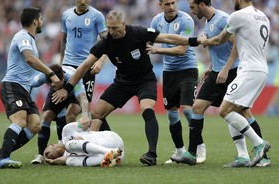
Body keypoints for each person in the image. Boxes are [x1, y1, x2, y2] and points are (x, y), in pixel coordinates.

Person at [51, 9, 199, 166]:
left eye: (115, 28)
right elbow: (84, 66)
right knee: (97, 113)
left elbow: (167, 37)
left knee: (147, 110)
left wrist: (192, 41)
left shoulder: (138, 33)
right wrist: (67, 88)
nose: (112, 31)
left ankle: (151, 154)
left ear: (123, 24)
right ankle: (99, 148)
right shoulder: (105, 42)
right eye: (109, 28)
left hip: (145, 80)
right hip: (123, 82)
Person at [175, 0, 270, 167]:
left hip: (231, 71)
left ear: (202, 5)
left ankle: (261, 155)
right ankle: (192, 153)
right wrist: (212, 67)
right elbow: (218, 49)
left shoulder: (222, 18)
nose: (192, 11)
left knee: (241, 112)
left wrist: (226, 69)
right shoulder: (208, 22)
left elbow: (235, 44)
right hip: (216, 72)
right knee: (197, 107)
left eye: (193, 7)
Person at [0, 7, 60, 169]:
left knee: (35, 124)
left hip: (24, 89)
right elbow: (29, 59)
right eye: (41, 18)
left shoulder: (30, 39)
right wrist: (50, 73)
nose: (42, 21)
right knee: (20, 121)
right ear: (35, 21)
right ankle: (4, 158)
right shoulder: (22, 36)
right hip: (12, 85)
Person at [146, 0, 206, 164]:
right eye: (167, 4)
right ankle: (180, 151)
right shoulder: (156, 20)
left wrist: (158, 49)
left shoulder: (186, 20)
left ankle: (199, 146)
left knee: (188, 109)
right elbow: (148, 41)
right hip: (169, 72)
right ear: (160, 5)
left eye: (173, 3)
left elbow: (181, 50)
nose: (171, 7)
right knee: (172, 115)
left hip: (188, 70)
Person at [60, 0, 108, 113]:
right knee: (67, 110)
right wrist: (61, 63)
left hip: (87, 66)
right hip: (68, 65)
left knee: (81, 108)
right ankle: (68, 133)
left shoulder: (97, 16)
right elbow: (64, 40)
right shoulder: (66, 15)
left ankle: (89, 129)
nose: (83, 1)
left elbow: (107, 42)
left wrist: (100, 61)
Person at [31, 64, 92, 164]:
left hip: (72, 95)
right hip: (56, 94)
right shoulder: (45, 76)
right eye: (50, 84)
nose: (53, 86)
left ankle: (69, 148)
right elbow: (28, 84)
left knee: (72, 112)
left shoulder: (74, 78)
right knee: (46, 116)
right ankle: (40, 155)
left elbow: (83, 98)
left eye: (55, 84)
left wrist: (85, 115)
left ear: (63, 78)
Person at [43, 121, 124, 167]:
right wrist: (52, 162)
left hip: (109, 139)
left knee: (69, 145)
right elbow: (65, 160)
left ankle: (107, 151)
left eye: (46, 153)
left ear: (51, 144)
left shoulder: (67, 131)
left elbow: (94, 122)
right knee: (70, 161)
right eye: (47, 158)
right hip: (119, 154)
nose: (48, 156)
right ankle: (107, 158)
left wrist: (87, 136)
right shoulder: (66, 157)